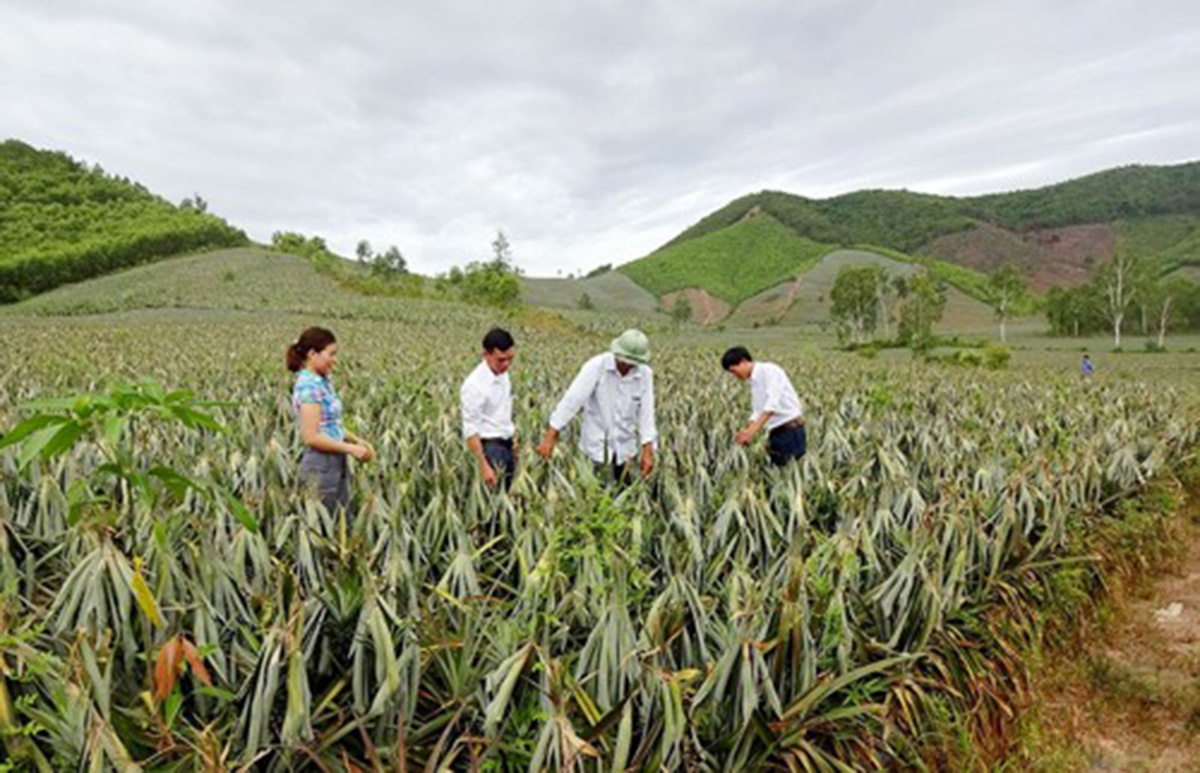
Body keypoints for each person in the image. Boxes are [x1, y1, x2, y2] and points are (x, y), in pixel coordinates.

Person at [537, 329, 656, 482]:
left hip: (626, 451)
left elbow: (646, 414)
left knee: (623, 495)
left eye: (633, 363)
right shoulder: (596, 367)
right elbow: (572, 401)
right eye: (624, 361)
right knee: (595, 494)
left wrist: (648, 450)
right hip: (596, 449)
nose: (628, 366)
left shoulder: (644, 374)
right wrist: (551, 434)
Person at [287, 327, 374, 515]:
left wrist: (357, 441)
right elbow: (311, 437)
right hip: (320, 466)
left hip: (335, 459)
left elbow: (331, 425)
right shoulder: (308, 386)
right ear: (312, 354)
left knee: (342, 521)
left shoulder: (322, 382)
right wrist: (351, 449)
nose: (334, 360)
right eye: (331, 354)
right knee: (324, 526)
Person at [721, 346, 806, 466]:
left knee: (789, 472)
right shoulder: (754, 381)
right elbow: (758, 411)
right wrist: (747, 432)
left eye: (734, 371)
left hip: (791, 432)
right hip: (776, 433)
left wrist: (751, 431)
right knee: (778, 471)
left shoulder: (770, 371)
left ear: (744, 362)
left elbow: (772, 405)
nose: (735, 375)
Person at [461, 328, 517, 490]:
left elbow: (503, 410)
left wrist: (513, 439)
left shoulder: (502, 374)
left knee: (507, 492)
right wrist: (483, 465)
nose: (506, 365)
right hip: (489, 449)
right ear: (486, 355)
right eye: (501, 360)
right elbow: (470, 430)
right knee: (493, 502)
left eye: (510, 359)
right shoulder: (474, 386)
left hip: (506, 443)